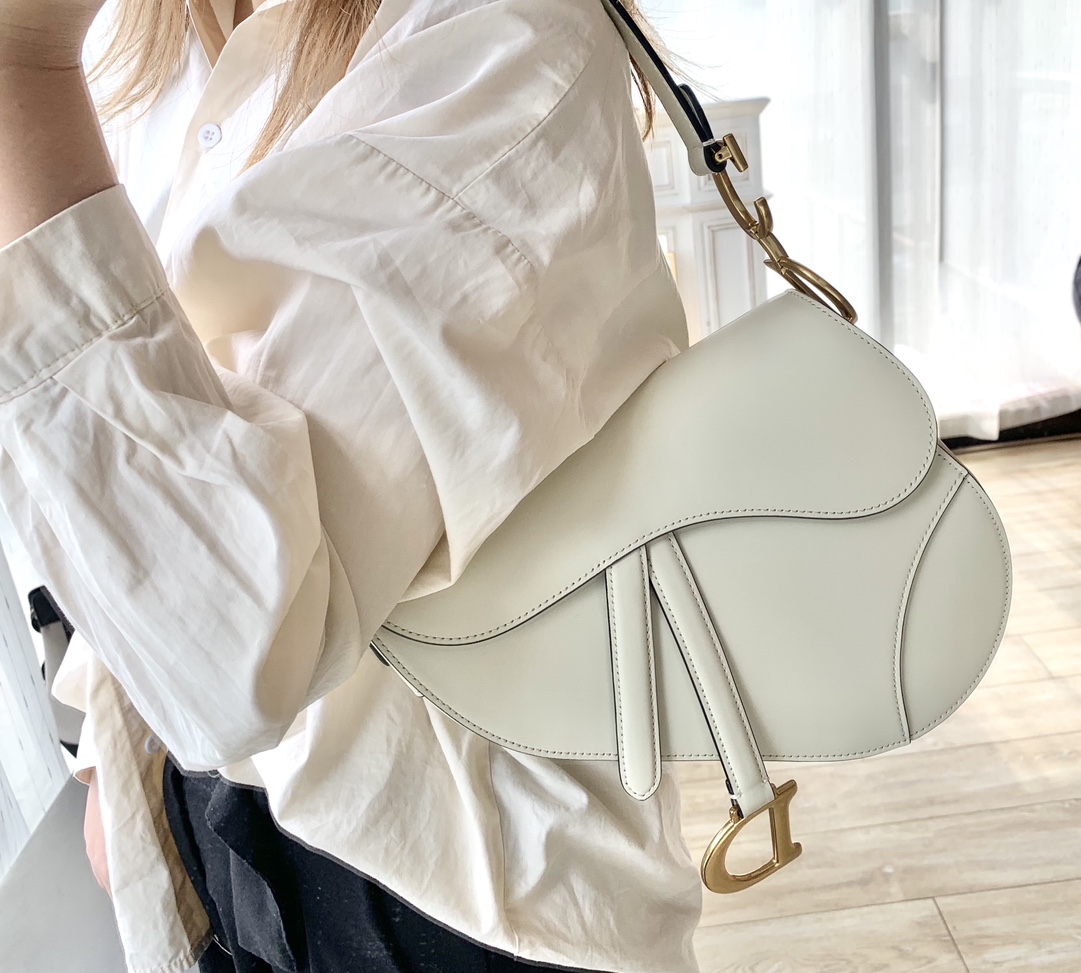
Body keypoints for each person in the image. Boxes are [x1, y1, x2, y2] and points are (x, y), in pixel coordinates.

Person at [0, 0, 703, 971]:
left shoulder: (493, 40)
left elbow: (232, 640)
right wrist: (116, 745)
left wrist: (21, 71)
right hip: (252, 833)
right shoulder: (177, 46)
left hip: (455, 893)